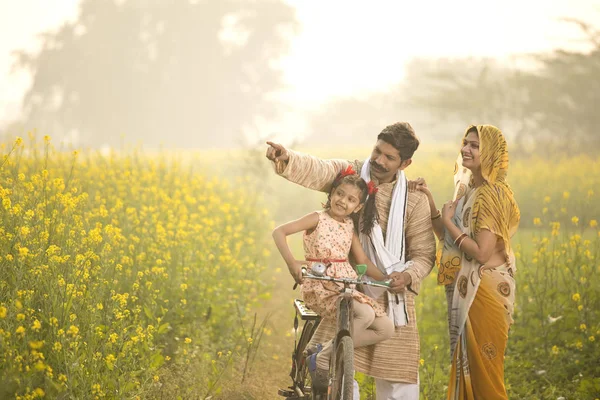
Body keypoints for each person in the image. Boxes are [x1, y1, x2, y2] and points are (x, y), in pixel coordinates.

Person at [267, 122, 436, 399]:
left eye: (389, 157)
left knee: (397, 376)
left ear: (405, 163)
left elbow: (424, 254)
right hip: (345, 285)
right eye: (377, 151)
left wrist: (405, 277)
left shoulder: (414, 200)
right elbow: (318, 168)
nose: (379, 161)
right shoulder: (352, 175)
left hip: (392, 294)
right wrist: (288, 158)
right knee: (339, 373)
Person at [408, 125, 520, 399]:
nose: (465, 149)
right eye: (465, 143)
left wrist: (448, 221)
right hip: (470, 289)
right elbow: (451, 239)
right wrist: (432, 203)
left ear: (491, 153)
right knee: (467, 370)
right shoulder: (470, 189)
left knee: (485, 373)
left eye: (474, 145)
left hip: (485, 290)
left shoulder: (492, 194)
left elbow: (481, 253)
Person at [272, 167, 394, 389]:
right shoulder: (317, 219)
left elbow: (362, 261)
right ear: (331, 194)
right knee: (365, 313)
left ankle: (325, 351)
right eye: (339, 193)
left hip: (344, 285)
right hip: (319, 284)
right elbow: (279, 232)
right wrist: (293, 263)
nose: (342, 201)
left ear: (357, 207)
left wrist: (388, 278)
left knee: (386, 328)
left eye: (350, 199)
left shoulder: (348, 226)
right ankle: (323, 359)